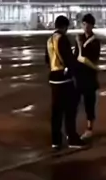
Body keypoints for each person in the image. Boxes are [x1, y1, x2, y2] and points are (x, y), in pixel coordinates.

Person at [45, 15, 83, 150]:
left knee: (56, 112)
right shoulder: (63, 39)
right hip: (64, 79)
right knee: (70, 110)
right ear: (65, 26)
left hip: (53, 78)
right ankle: (72, 138)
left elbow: (47, 59)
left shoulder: (49, 40)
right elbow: (68, 59)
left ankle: (56, 141)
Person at [73, 13, 101, 140]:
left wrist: (80, 46)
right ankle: (72, 129)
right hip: (79, 77)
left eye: (88, 25)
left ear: (92, 26)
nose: (86, 27)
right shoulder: (79, 38)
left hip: (89, 76)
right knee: (74, 103)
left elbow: (92, 58)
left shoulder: (95, 41)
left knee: (89, 104)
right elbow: (75, 56)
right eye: (84, 24)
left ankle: (89, 128)